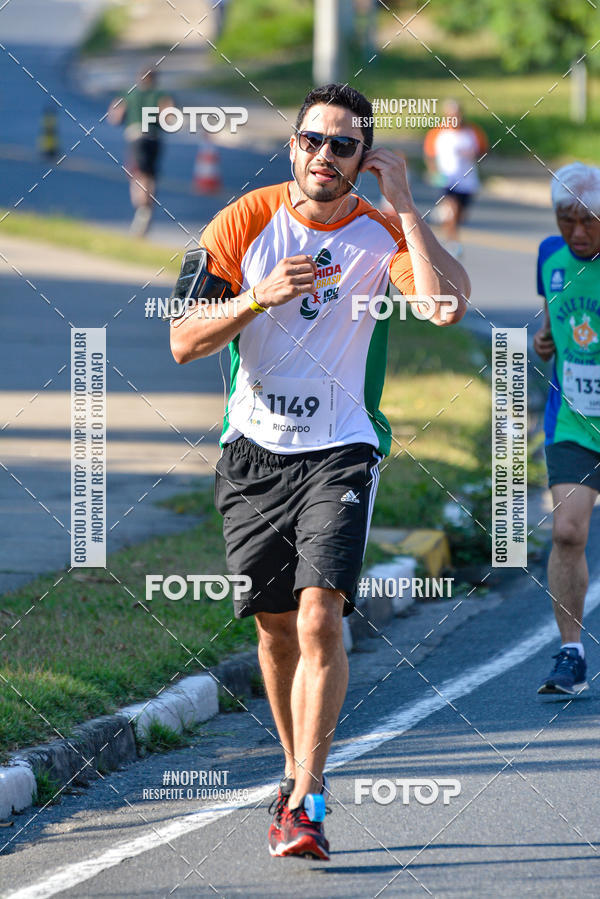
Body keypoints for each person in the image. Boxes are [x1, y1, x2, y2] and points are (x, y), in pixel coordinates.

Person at [170, 83, 469, 859]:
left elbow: (444, 307)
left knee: (317, 617)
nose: (324, 156)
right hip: (253, 449)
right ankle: (291, 771)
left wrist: (407, 207)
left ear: (363, 159)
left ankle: (309, 795)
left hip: (341, 446)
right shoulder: (243, 220)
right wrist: (256, 299)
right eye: (312, 140)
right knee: (274, 630)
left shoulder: (379, 231)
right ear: (293, 144)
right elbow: (184, 340)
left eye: (343, 146)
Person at [533, 161, 600, 696]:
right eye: (566, 219)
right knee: (567, 531)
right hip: (573, 420)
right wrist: (543, 341)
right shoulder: (548, 258)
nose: (577, 232)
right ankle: (571, 652)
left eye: (590, 221)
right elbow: (553, 315)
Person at [107, 68, 174, 236]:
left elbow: (115, 116)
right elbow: (169, 116)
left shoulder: (128, 94)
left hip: (136, 136)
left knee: (138, 174)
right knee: (150, 174)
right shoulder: (161, 94)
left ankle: (142, 209)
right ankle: (147, 208)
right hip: (155, 138)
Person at [423, 100, 488, 257]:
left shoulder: (473, 132)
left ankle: (443, 218)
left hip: (468, 182)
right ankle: (453, 243)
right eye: (451, 115)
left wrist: (475, 155)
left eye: (457, 115)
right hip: (447, 180)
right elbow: (430, 156)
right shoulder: (438, 133)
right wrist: (434, 172)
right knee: (452, 209)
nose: (454, 118)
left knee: (460, 216)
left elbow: (484, 151)